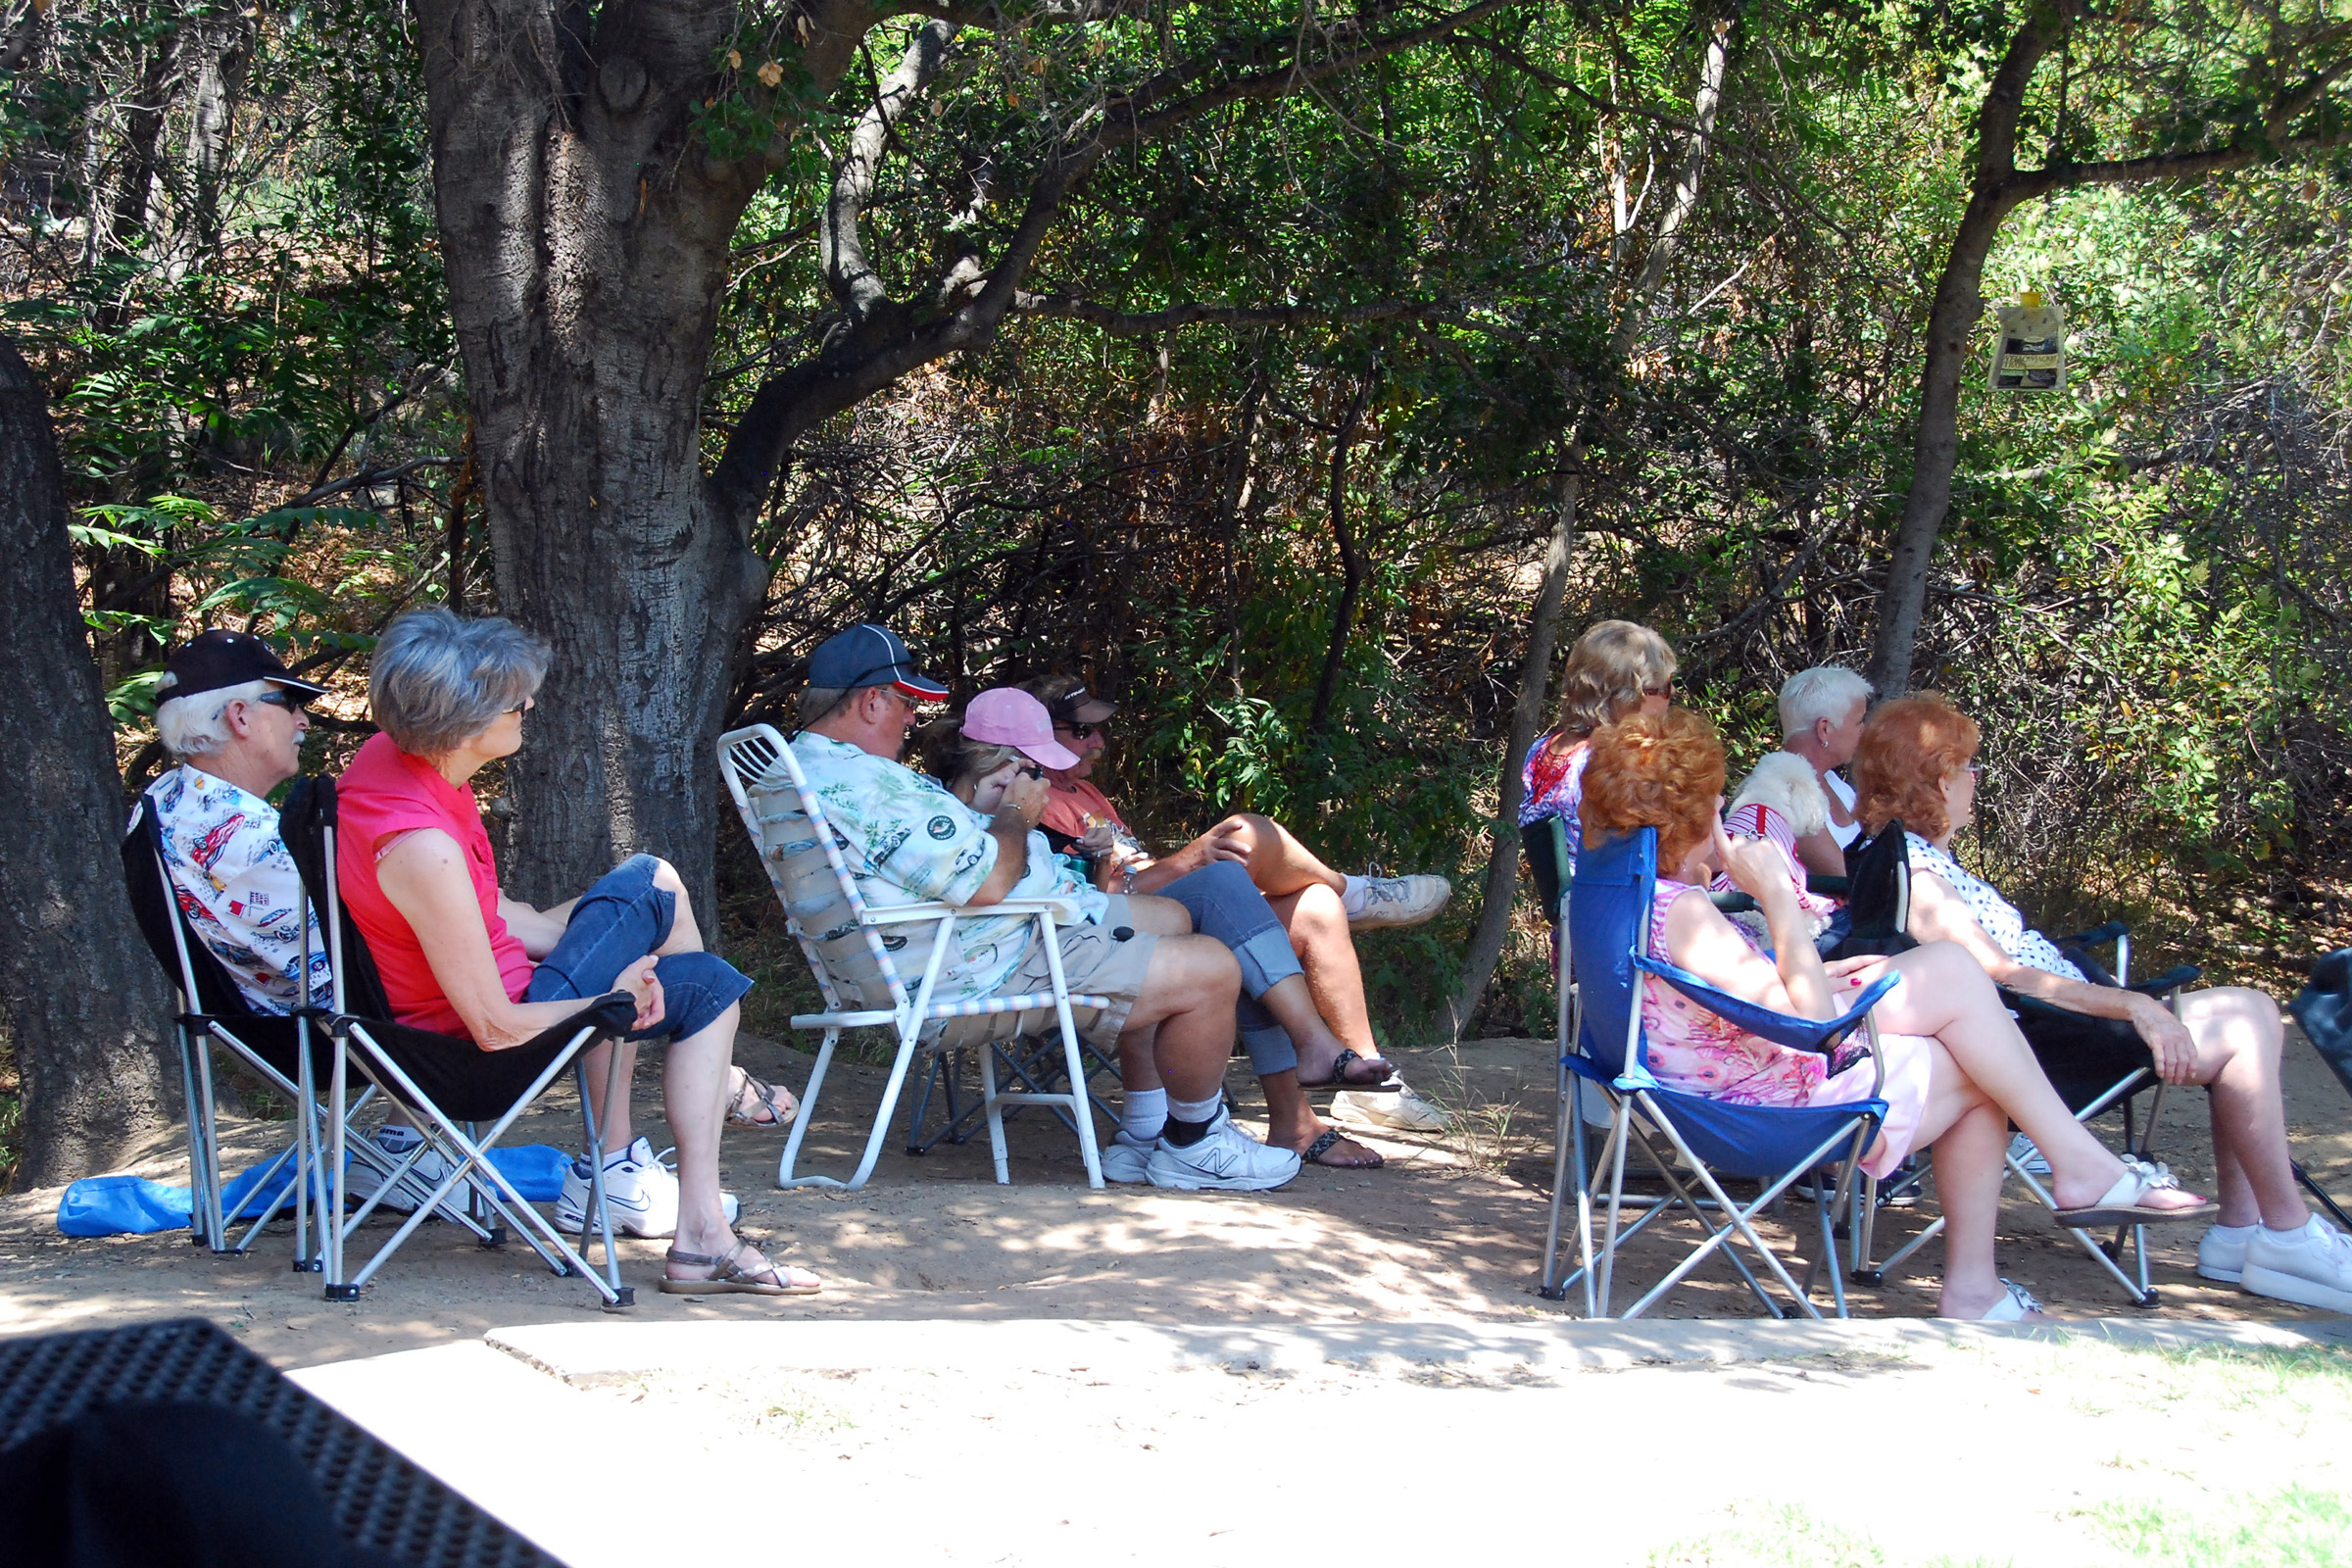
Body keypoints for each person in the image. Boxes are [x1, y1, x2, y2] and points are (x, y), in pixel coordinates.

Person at [1579, 707, 2212, 1321]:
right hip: (1764, 1104)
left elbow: (1729, 996)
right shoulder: (1685, 912)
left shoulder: (1615, 890)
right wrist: (1774, 892)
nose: (1723, 810)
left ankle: (2020, 1237)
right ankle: (2046, 1207)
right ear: (1683, 815)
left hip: (1708, 1078)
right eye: (1714, 799)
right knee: (1964, 1009)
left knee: (1969, 1044)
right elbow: (1813, 1027)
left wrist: (1814, 968)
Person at [336, 609, 814, 1295]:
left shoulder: (393, 764)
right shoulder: (422, 849)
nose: (529, 706)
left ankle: (631, 1172)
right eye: (515, 701)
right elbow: (495, 1028)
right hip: (480, 1055)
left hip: (475, 1002)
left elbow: (489, 917)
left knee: (655, 893)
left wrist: (608, 952)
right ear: (464, 725)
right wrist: (614, 997)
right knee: (703, 980)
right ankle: (680, 1217)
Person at [1851, 693, 2352, 1312]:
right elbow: (2005, 978)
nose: (1977, 779)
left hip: (2056, 1026)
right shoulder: (1916, 875)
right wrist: (2132, 1006)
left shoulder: (1921, 859)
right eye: (1969, 766)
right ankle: (2281, 1231)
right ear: (1936, 778)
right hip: (2041, 1044)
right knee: (2248, 1021)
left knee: (2249, 1007)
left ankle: (2245, 1231)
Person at [790, 625, 1300, 1191]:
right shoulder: (868, 785)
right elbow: (985, 883)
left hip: (944, 954)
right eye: (906, 702)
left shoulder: (806, 771)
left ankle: (1144, 1132)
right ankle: (1195, 1142)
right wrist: (1017, 813)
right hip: (983, 963)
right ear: (870, 701)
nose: (912, 718)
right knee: (1210, 967)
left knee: (1176, 926)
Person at [925, 689, 1393, 1171]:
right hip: (1063, 935)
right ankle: (1274, 1084)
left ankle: (1152, 1128)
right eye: (1038, 761)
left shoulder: (1061, 797)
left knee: (1284, 906)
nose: (1091, 745)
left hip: (1089, 913)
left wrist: (1100, 857)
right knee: (1231, 877)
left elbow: (1082, 883)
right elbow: (1017, 886)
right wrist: (1183, 859)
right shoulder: (999, 814)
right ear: (997, 761)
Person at [1023, 674, 1451, 931]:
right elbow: (1097, 895)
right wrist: (1190, 862)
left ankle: (1358, 1065)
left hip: (1166, 901)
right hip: (1135, 922)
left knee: (1316, 908)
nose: (1098, 741)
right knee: (1244, 832)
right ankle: (1357, 894)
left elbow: (1132, 863)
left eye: (1099, 730)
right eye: (1082, 732)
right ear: (1038, 735)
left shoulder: (1083, 791)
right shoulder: (1034, 804)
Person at [146, 629, 335, 1015]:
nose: (303, 721)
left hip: (269, 1033)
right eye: (288, 703)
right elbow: (358, 962)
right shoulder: (251, 843)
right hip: (341, 1034)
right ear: (239, 716)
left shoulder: (167, 798)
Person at [1518, 620, 1677, 919]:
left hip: (1575, 930)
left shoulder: (1539, 751)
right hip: (1625, 925)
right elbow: (1670, 859)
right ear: (1628, 698)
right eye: (1663, 689)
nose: (1672, 695)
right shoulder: (1618, 763)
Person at [1731, 665, 1874, 878]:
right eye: (1859, 721)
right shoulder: (1783, 793)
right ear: (1824, 729)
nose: (1864, 730)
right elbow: (1846, 876)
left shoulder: (1832, 782)